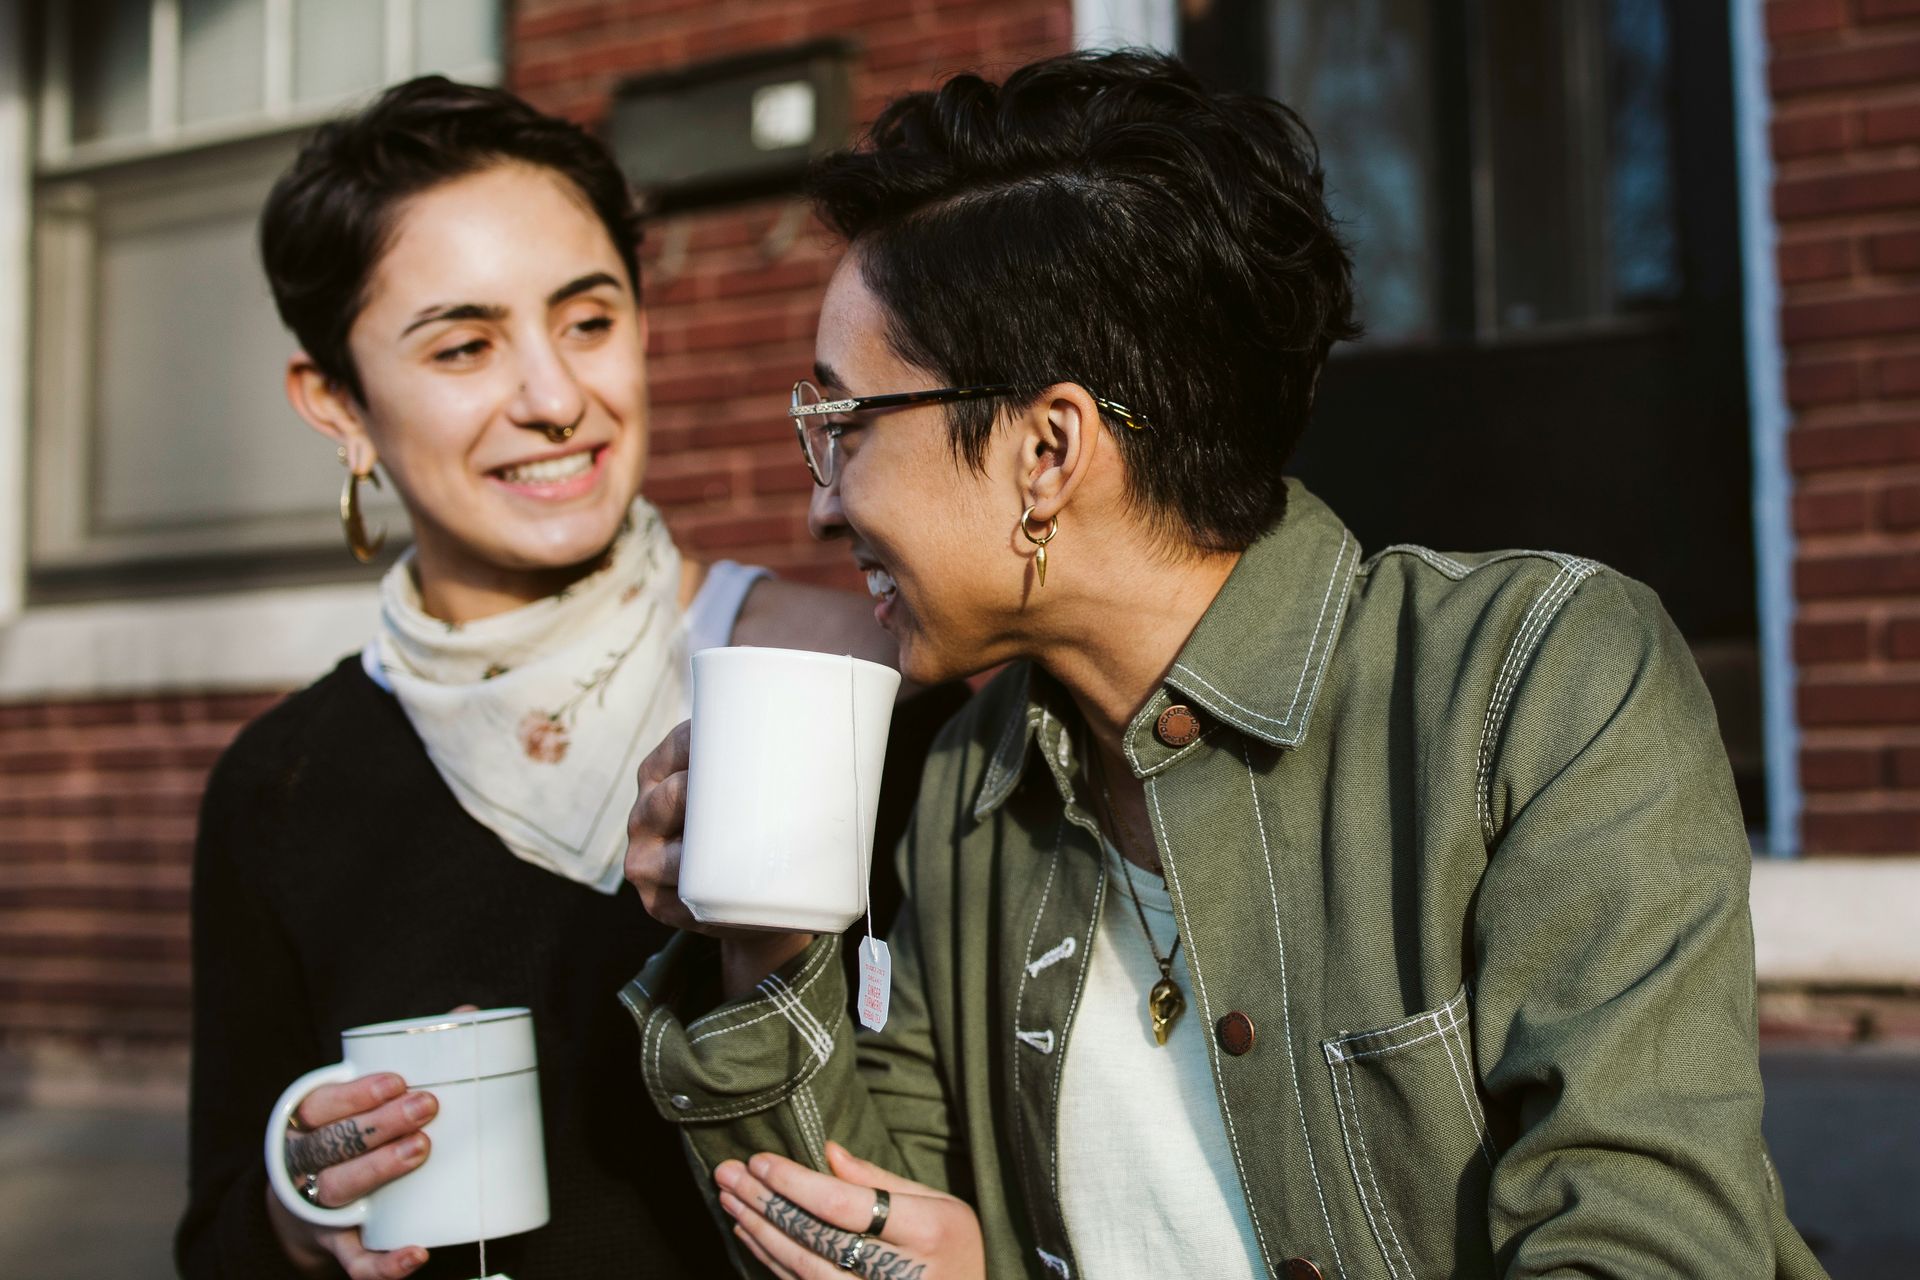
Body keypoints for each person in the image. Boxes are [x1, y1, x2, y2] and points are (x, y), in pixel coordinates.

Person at [621, 50, 1829, 1280]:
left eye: (845, 424)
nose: (822, 503)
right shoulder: (971, 789)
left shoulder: (1533, 687)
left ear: (1048, 450)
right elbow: (871, 1219)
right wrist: (763, 934)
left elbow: (1644, 1248)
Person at [175, 77, 936, 1280]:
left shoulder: (863, 679)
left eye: (588, 320)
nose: (553, 397)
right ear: (338, 406)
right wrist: (300, 1210)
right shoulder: (281, 787)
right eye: (466, 345)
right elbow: (217, 1236)